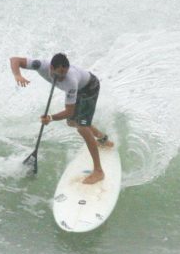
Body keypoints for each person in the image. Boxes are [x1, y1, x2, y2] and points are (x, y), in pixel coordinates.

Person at [10, 53, 113, 185]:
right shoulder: (41, 65)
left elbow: (69, 111)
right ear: (51, 68)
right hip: (80, 88)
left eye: (64, 74)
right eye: (58, 74)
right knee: (72, 122)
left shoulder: (70, 81)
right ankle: (103, 139)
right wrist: (17, 75)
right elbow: (15, 60)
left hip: (89, 88)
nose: (60, 78)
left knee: (82, 127)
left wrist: (50, 117)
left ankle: (98, 171)